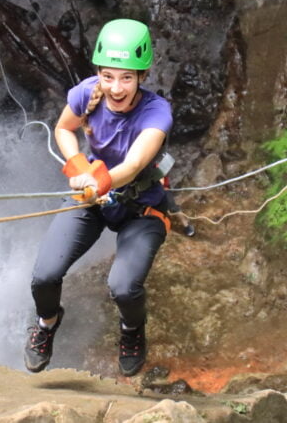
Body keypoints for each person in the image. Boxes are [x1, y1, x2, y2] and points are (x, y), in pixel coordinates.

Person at [25, 19, 173, 377]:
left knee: (123, 287)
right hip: (93, 199)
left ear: (142, 75)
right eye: (108, 76)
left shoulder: (156, 112)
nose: (116, 87)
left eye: (126, 78)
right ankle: (47, 324)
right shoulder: (85, 93)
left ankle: (132, 331)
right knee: (44, 277)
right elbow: (63, 128)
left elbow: (136, 163)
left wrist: (98, 181)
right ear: (98, 74)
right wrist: (79, 165)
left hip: (141, 207)